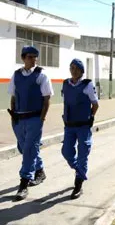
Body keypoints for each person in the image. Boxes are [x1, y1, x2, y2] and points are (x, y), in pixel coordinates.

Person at [8, 46, 53, 201]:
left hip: (35, 119)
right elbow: (13, 97)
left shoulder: (41, 75)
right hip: (19, 119)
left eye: (35, 57)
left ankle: (24, 183)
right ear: (23, 58)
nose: (33, 59)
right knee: (23, 147)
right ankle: (39, 170)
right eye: (30, 57)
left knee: (28, 150)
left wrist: (42, 119)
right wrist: (13, 116)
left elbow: (47, 99)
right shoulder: (16, 75)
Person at [61, 59, 99, 199]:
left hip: (83, 125)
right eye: (72, 67)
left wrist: (91, 117)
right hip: (69, 125)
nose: (74, 70)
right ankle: (79, 170)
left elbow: (95, 104)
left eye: (77, 68)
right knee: (66, 151)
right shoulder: (66, 83)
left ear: (82, 71)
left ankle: (78, 183)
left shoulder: (87, 84)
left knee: (83, 153)